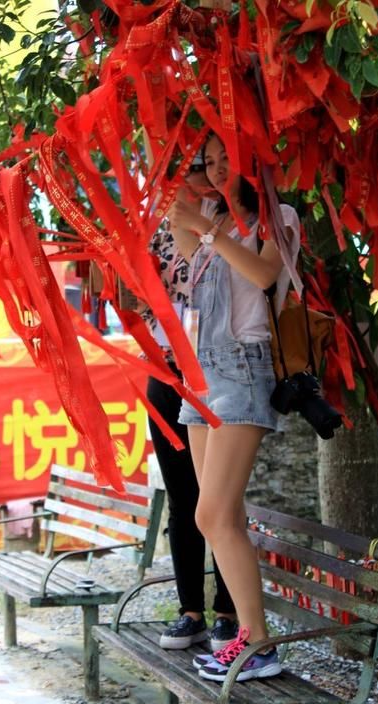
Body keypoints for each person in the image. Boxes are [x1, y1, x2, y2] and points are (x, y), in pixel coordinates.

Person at [168, 132, 300, 682]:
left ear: (252, 161)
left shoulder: (278, 217)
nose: (218, 169)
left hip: (244, 367)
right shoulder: (211, 215)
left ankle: (258, 644)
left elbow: (265, 274)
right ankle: (247, 638)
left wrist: (210, 231)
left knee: (212, 515)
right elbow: (182, 241)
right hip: (202, 371)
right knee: (221, 514)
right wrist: (178, 190)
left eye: (228, 159)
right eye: (211, 161)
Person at [144, 158, 239, 651]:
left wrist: (201, 225)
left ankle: (229, 612)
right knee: (182, 496)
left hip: (213, 372)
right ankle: (190, 612)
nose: (192, 178)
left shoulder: (229, 223)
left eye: (200, 167)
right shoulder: (157, 231)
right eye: (182, 170)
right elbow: (145, 300)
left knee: (219, 497)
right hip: (165, 368)